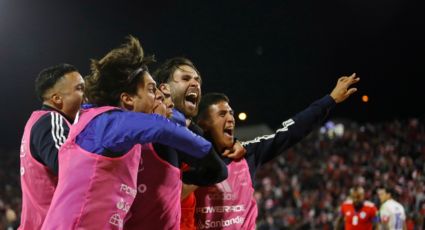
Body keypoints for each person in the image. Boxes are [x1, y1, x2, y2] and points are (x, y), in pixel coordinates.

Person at [42, 36, 227, 230]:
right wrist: (210, 159)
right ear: (128, 99)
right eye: (150, 89)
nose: (158, 96)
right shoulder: (108, 123)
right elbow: (161, 126)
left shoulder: (97, 121)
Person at [189, 73, 360, 229]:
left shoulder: (248, 153)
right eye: (221, 114)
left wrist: (329, 100)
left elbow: (291, 131)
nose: (230, 119)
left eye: (231, 113)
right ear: (203, 124)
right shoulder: (187, 160)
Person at [153, 57, 246, 230]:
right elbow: (158, 198)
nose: (195, 83)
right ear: (164, 87)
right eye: (186, 79)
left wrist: (234, 143)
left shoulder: (195, 133)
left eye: (197, 80)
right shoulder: (154, 130)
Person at [19, 63, 84, 229]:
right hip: (52, 224)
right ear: (57, 99)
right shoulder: (52, 120)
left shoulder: (37, 121)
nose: (86, 95)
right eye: (80, 88)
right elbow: (70, 169)